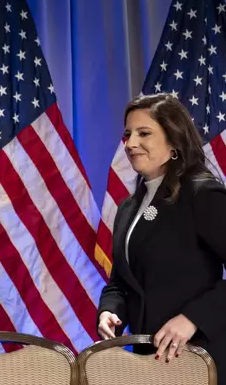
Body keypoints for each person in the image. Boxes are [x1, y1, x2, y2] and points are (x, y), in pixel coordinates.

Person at [97, 93, 226, 383]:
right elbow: (120, 282)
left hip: (202, 358)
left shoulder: (202, 194)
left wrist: (193, 318)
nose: (130, 144)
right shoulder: (127, 208)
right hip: (147, 362)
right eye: (128, 134)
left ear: (174, 142)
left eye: (144, 133)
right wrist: (109, 312)